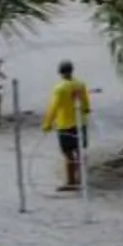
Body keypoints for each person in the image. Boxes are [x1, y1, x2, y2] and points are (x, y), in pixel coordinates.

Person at [47, 60, 95, 190]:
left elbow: (54, 107)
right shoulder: (80, 85)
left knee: (68, 154)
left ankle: (71, 181)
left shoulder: (59, 88)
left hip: (65, 124)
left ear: (60, 73)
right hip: (80, 123)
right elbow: (85, 103)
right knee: (79, 151)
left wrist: (47, 124)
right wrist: (85, 110)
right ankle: (80, 179)